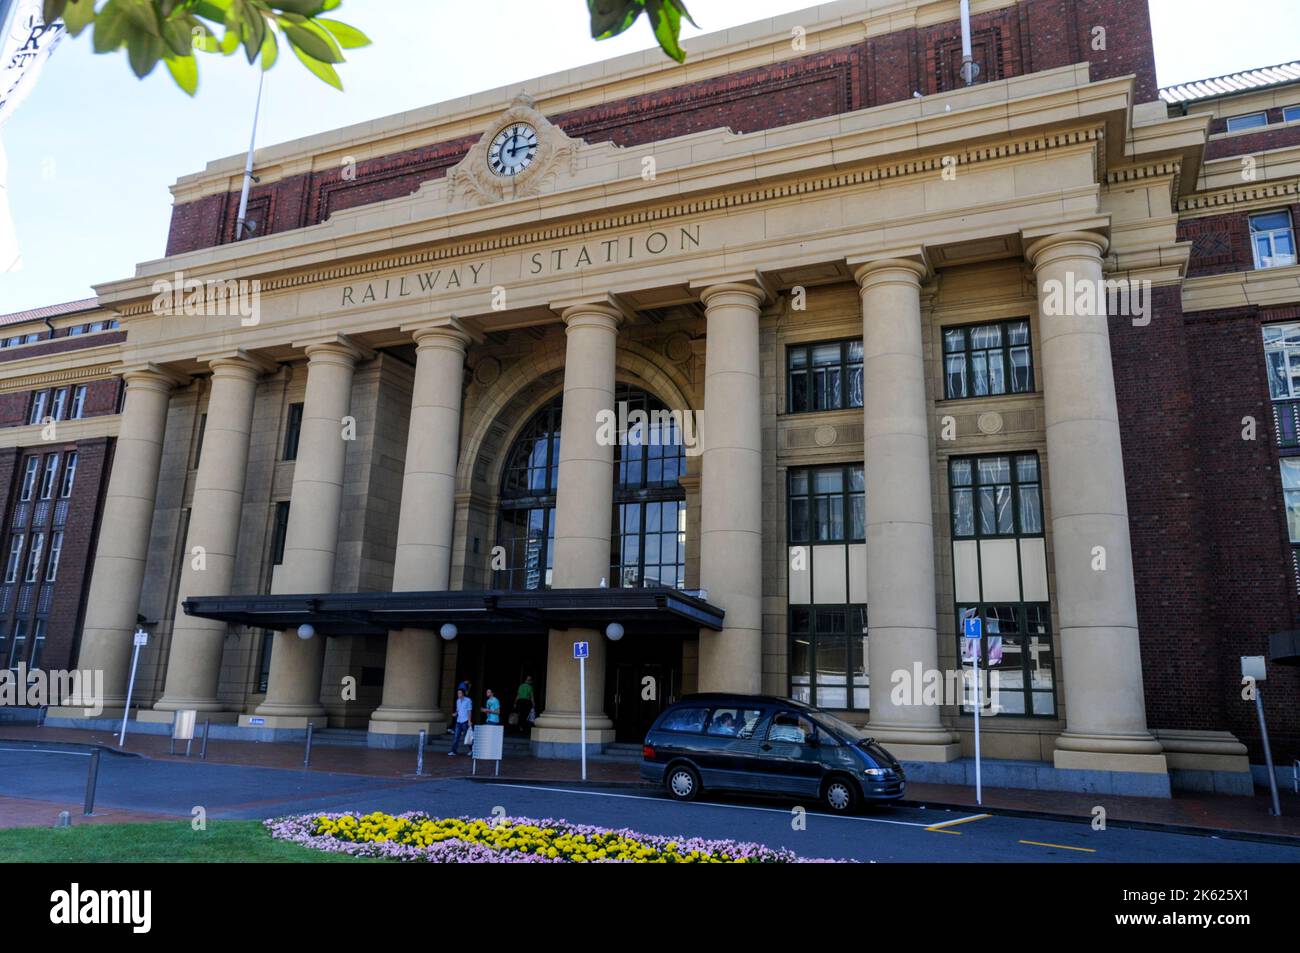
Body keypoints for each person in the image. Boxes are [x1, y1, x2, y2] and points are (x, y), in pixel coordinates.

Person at [448, 688, 472, 756]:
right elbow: (458, 710)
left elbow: (469, 711)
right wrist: (455, 714)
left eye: (460, 693)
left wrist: (469, 721)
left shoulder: (468, 700)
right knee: (456, 737)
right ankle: (453, 751)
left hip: (465, 721)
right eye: (458, 693)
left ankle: (472, 750)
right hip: (459, 721)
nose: (459, 694)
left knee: (467, 737)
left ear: (463, 693)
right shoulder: (457, 701)